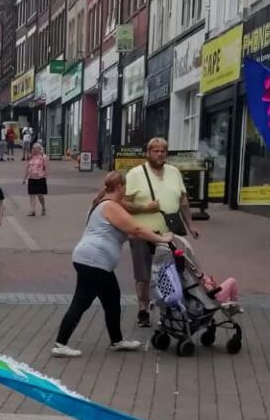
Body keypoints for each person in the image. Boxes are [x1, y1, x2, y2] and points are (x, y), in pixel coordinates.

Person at [52, 171, 171, 356]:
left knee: (112, 299)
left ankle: (116, 340)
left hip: (97, 262)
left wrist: (153, 235)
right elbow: (135, 229)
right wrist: (162, 239)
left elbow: (129, 233)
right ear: (120, 187)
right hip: (93, 261)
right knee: (82, 301)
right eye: (125, 187)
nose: (126, 192)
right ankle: (60, 344)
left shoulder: (100, 204)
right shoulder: (110, 206)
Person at [120, 137, 197, 328]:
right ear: (148, 153)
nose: (160, 154)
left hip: (168, 234)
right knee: (143, 275)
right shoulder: (136, 174)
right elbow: (123, 203)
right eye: (155, 151)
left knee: (171, 273)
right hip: (142, 233)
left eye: (163, 151)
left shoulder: (174, 172)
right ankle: (143, 310)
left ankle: (168, 309)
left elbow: (183, 200)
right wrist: (145, 208)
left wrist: (190, 225)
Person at [25, 142, 49, 216]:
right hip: (31, 178)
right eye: (33, 148)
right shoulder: (31, 156)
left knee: (39, 194)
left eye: (36, 148)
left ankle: (43, 206)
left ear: (39, 149)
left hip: (40, 178)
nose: (34, 150)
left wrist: (46, 177)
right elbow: (28, 167)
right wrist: (25, 177)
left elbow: (46, 168)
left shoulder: (43, 157)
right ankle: (32, 210)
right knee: (32, 194)